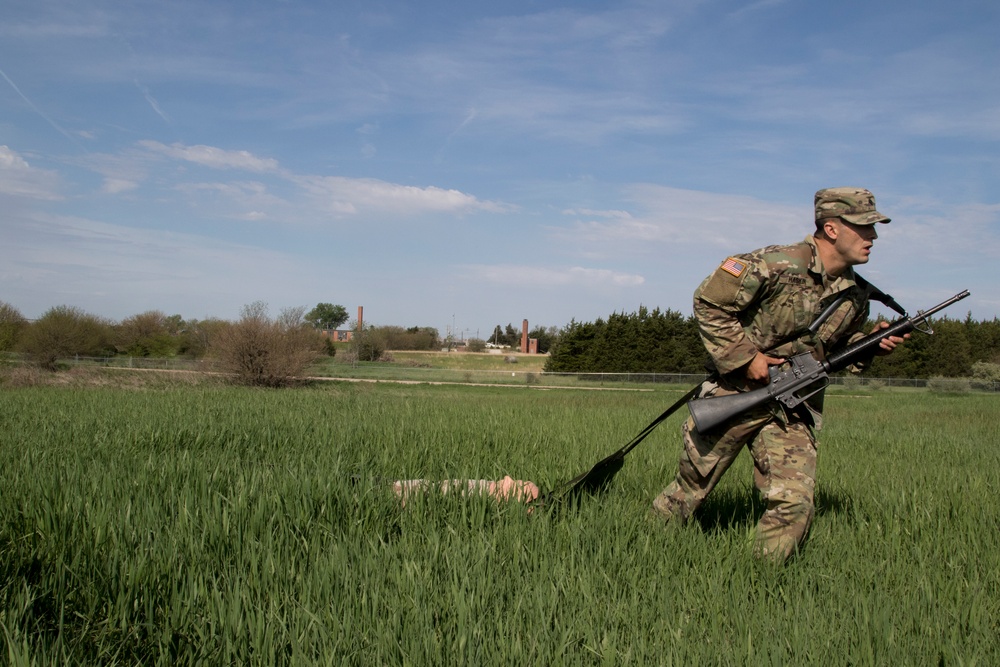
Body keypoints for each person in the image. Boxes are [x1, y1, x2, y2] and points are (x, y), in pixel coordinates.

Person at [651, 187, 908, 563]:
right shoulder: (773, 263)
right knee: (689, 492)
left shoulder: (856, 295)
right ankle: (645, 551)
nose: (873, 238)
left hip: (792, 405)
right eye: (864, 228)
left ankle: (761, 582)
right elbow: (708, 302)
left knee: (794, 502)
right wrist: (744, 358)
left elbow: (833, 351)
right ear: (832, 228)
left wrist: (867, 344)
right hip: (734, 394)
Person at [392, 476, 540, 506]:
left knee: (439, 487)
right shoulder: (532, 492)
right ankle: (399, 492)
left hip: (483, 486)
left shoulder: (531, 487)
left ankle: (399, 487)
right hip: (483, 493)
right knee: (441, 490)